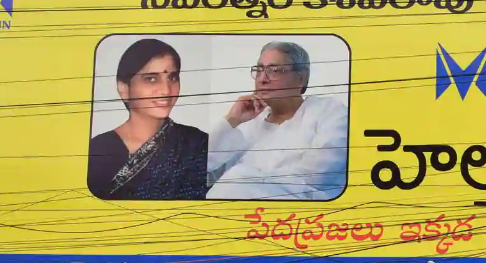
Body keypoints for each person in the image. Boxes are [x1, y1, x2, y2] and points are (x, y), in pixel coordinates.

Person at [206, 41, 348, 201]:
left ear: (300, 79)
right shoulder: (248, 124)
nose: (262, 79)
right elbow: (201, 172)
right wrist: (231, 120)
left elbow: (318, 175)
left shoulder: (329, 111)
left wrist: (244, 178)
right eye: (259, 70)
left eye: (274, 70)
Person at [88, 38, 209, 200]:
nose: (166, 90)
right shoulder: (97, 149)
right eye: (151, 79)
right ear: (124, 88)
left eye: (172, 78)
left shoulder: (196, 144)